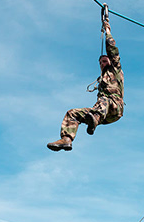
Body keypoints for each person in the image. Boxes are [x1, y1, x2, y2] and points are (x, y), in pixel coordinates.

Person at [49, 11, 123, 152]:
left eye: (105, 59)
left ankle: (94, 117)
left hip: (115, 107)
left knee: (104, 99)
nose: (103, 62)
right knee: (72, 113)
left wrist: (107, 31)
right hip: (103, 114)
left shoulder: (116, 70)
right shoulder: (101, 80)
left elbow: (112, 49)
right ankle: (67, 140)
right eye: (100, 62)